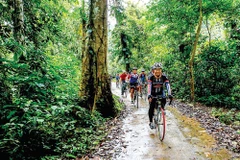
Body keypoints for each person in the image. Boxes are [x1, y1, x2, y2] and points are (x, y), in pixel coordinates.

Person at [148, 62, 173, 129]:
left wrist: (170, 94)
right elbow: (149, 86)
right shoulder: (151, 77)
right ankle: (150, 122)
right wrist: (149, 95)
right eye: (156, 69)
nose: (157, 71)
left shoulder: (164, 77)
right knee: (151, 107)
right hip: (153, 93)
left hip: (161, 92)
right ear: (153, 70)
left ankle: (162, 109)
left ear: (161, 70)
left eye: (159, 69)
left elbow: (168, 85)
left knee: (164, 99)